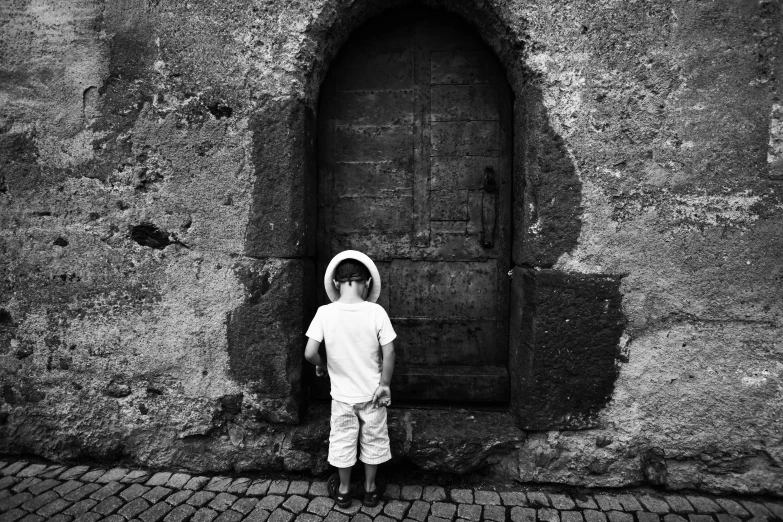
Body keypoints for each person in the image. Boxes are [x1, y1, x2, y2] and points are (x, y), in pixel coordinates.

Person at [304, 250, 396, 508]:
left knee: (343, 440)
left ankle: (343, 490)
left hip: (342, 397)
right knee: (374, 439)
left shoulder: (324, 312)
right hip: (373, 395)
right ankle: (370, 490)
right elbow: (389, 351)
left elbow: (310, 352)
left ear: (336, 283)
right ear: (367, 282)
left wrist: (322, 364)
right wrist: (384, 384)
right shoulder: (376, 312)